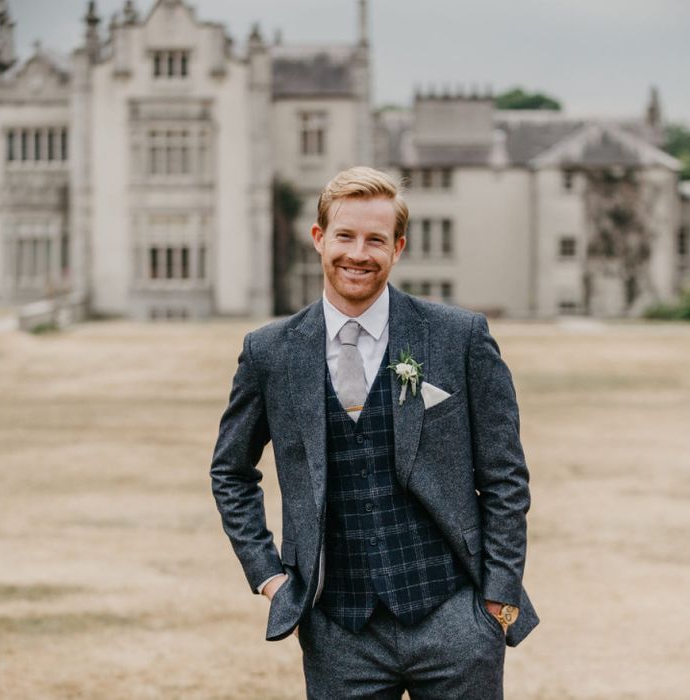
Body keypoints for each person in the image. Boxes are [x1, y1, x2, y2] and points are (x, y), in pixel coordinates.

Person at [211, 166, 538, 699]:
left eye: (375, 240)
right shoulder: (268, 352)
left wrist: (497, 599)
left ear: (398, 248)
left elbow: (505, 477)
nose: (358, 253)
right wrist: (269, 576)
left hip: (456, 618)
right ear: (319, 239)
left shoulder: (460, 337)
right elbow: (231, 471)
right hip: (339, 629)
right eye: (345, 236)